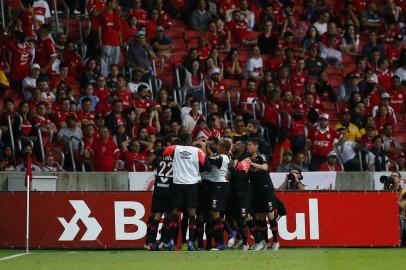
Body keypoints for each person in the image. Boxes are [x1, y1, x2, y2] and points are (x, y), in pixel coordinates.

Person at [162, 132, 210, 251]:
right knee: (192, 213)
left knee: (175, 212)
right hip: (192, 186)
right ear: (190, 139)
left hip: (177, 184)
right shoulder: (197, 151)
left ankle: (171, 241)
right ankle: (190, 243)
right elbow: (207, 167)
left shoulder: (174, 148)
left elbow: (165, 153)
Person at [247, 138, 285, 250]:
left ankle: (276, 241)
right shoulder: (246, 158)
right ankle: (265, 242)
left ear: (256, 146)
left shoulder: (261, 157)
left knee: (270, 214)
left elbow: (265, 167)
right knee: (259, 216)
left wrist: (252, 163)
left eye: (250, 145)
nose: (248, 146)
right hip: (255, 190)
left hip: (266, 188)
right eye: (247, 145)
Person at [200, 139, 232, 250]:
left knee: (215, 214)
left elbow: (207, 159)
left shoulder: (222, 157)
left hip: (219, 186)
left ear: (223, 148)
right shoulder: (222, 156)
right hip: (217, 185)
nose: (217, 147)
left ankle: (221, 242)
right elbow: (212, 156)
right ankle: (229, 233)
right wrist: (207, 147)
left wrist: (202, 150)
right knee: (213, 214)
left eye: (218, 145)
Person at [145, 147, 174, 251]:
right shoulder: (176, 159)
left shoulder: (159, 159)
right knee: (168, 217)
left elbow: (151, 159)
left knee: (156, 216)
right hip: (169, 190)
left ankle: (151, 243)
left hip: (158, 189)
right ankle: (163, 242)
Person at [98, 0, 122, 77]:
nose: (116, 5)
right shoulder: (103, 14)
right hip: (106, 41)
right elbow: (99, 28)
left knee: (114, 61)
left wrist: (120, 39)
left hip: (116, 42)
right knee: (105, 61)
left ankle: (113, 77)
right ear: (109, 3)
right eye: (114, 3)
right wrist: (100, 40)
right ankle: (104, 77)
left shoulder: (116, 15)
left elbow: (118, 29)